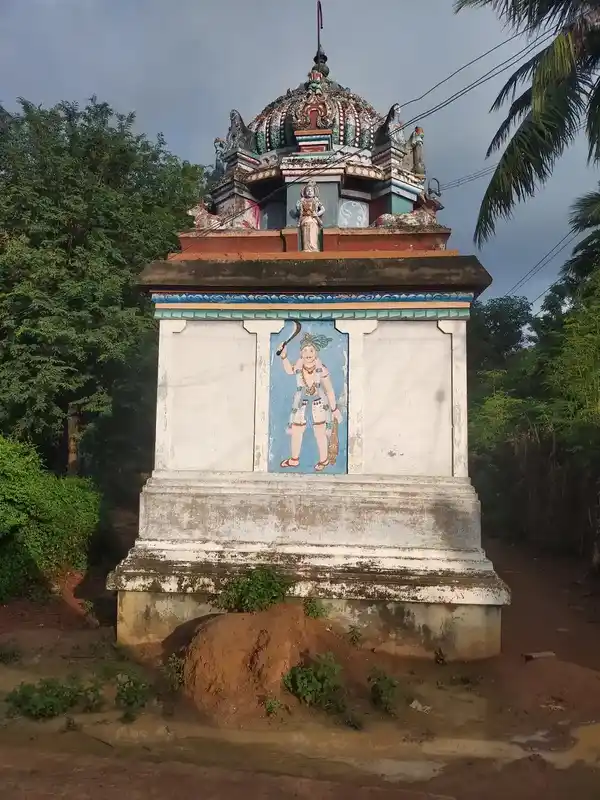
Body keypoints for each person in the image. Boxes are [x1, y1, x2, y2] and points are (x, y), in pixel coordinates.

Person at [278, 332, 342, 472]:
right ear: (301, 353)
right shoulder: (299, 367)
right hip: (301, 403)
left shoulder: (321, 369)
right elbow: (289, 370)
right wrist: (284, 356)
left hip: (319, 404)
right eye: (305, 350)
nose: (308, 353)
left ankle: (323, 459)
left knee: (320, 432)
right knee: (296, 430)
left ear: (316, 353)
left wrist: (334, 409)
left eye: (311, 350)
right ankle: (294, 459)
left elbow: (329, 390)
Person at [296, 181, 325, 252]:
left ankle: (313, 247)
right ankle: (306, 248)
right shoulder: (302, 201)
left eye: (311, 190)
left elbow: (323, 209)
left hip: (313, 219)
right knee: (306, 232)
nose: (309, 192)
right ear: (304, 192)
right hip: (305, 219)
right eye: (307, 190)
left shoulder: (316, 200)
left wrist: (317, 214)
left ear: (314, 192)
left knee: (313, 232)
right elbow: (300, 210)